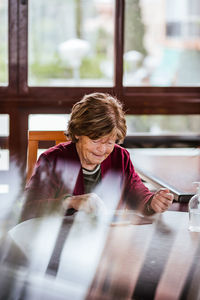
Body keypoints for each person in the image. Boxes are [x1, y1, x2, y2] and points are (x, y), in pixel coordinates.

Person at [21, 92, 173, 221]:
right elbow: (29, 208)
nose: (102, 149)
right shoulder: (53, 160)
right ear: (77, 132)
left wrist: (153, 202)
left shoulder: (120, 157)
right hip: (61, 243)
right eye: (95, 140)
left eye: (109, 142)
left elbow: (138, 195)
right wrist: (71, 202)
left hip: (108, 243)